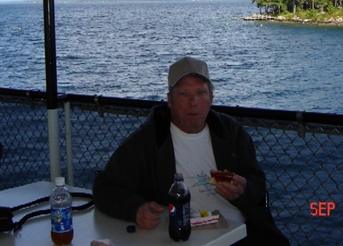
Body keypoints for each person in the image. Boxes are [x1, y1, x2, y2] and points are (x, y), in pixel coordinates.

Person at [93, 56, 289, 245]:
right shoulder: (149, 139)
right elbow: (105, 188)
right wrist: (135, 209)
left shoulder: (230, 132)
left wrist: (243, 190)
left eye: (201, 93)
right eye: (183, 94)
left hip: (239, 232)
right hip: (180, 237)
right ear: (169, 100)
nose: (193, 102)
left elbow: (258, 185)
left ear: (211, 98)